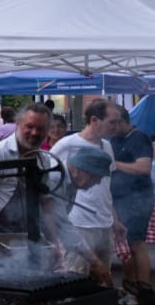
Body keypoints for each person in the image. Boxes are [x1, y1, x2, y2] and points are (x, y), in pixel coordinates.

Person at [0, 101, 58, 255]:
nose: (34, 133)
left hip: (28, 239)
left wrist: (53, 241)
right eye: (29, 126)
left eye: (40, 128)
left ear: (47, 130)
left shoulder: (43, 160)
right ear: (18, 124)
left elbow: (45, 203)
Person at [51, 100, 120, 288]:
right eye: (112, 122)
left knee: (102, 280)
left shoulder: (106, 146)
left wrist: (115, 220)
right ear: (94, 120)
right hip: (78, 223)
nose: (116, 127)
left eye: (118, 122)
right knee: (76, 280)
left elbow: (106, 187)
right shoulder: (66, 146)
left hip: (104, 223)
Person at [108, 109, 155, 302]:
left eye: (114, 123)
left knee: (137, 245)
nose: (111, 128)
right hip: (119, 198)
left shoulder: (139, 138)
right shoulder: (113, 139)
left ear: (123, 121)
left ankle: (143, 292)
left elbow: (144, 168)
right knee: (125, 245)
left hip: (138, 198)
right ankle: (129, 287)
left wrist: (114, 164)